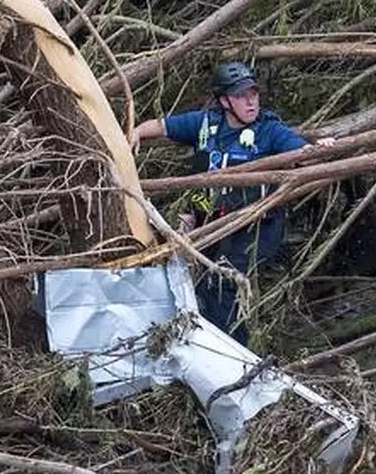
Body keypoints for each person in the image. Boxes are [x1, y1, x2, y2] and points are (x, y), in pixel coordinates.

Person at [132, 62, 319, 346]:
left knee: (222, 283)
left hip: (255, 225)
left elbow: (300, 150)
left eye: (253, 93)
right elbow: (161, 126)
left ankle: (238, 358)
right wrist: (135, 133)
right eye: (242, 95)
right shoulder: (206, 123)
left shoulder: (269, 129)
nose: (251, 100)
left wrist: (318, 149)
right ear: (224, 101)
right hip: (213, 221)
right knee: (199, 285)